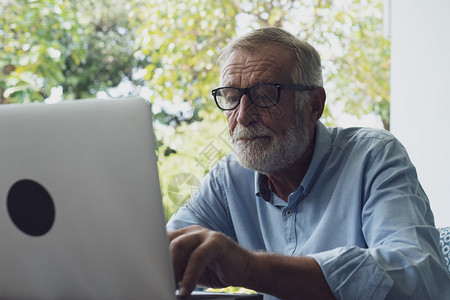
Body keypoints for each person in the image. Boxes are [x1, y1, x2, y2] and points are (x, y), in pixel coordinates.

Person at [166, 27, 450, 299]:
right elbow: (162, 257)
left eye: (264, 96)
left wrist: (251, 268)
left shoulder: (373, 156)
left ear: (314, 104)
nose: (241, 116)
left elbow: (418, 276)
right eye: (231, 98)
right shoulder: (227, 179)